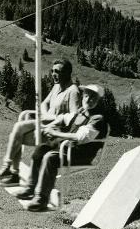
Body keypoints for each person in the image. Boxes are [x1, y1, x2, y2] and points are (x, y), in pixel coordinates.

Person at [14, 83, 107, 212]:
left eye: (93, 98)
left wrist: (56, 133)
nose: (89, 100)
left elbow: (81, 137)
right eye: (87, 96)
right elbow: (64, 118)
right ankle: (31, 187)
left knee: (50, 158)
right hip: (69, 150)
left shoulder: (97, 118)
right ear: (83, 96)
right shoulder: (81, 113)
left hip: (83, 155)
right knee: (41, 150)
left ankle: (41, 199)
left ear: (97, 101)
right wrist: (51, 126)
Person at [0, 59, 81, 186]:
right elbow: (44, 103)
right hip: (44, 122)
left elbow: (74, 117)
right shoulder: (57, 87)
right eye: (52, 71)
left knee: (17, 134)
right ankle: (9, 168)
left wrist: (54, 118)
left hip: (53, 133)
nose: (53, 74)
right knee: (18, 127)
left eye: (57, 71)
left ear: (67, 73)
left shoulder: (73, 91)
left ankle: (12, 172)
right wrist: (46, 115)